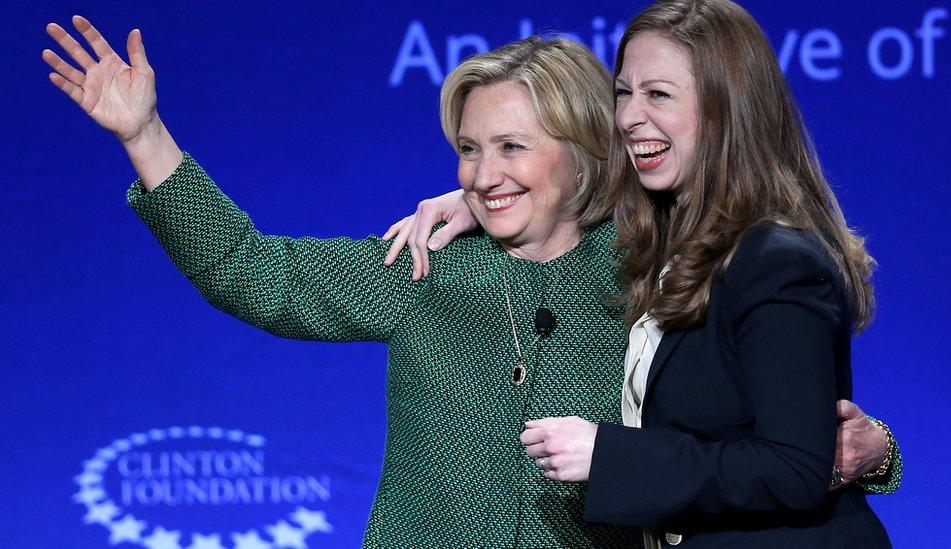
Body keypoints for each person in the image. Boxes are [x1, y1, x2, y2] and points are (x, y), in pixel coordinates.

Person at [42, 12, 896, 549]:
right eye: (468, 149)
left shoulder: (651, 268)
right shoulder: (422, 266)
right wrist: (146, 137)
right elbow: (251, 271)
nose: (484, 173)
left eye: (513, 147)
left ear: (585, 152)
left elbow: (767, 420)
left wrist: (875, 452)